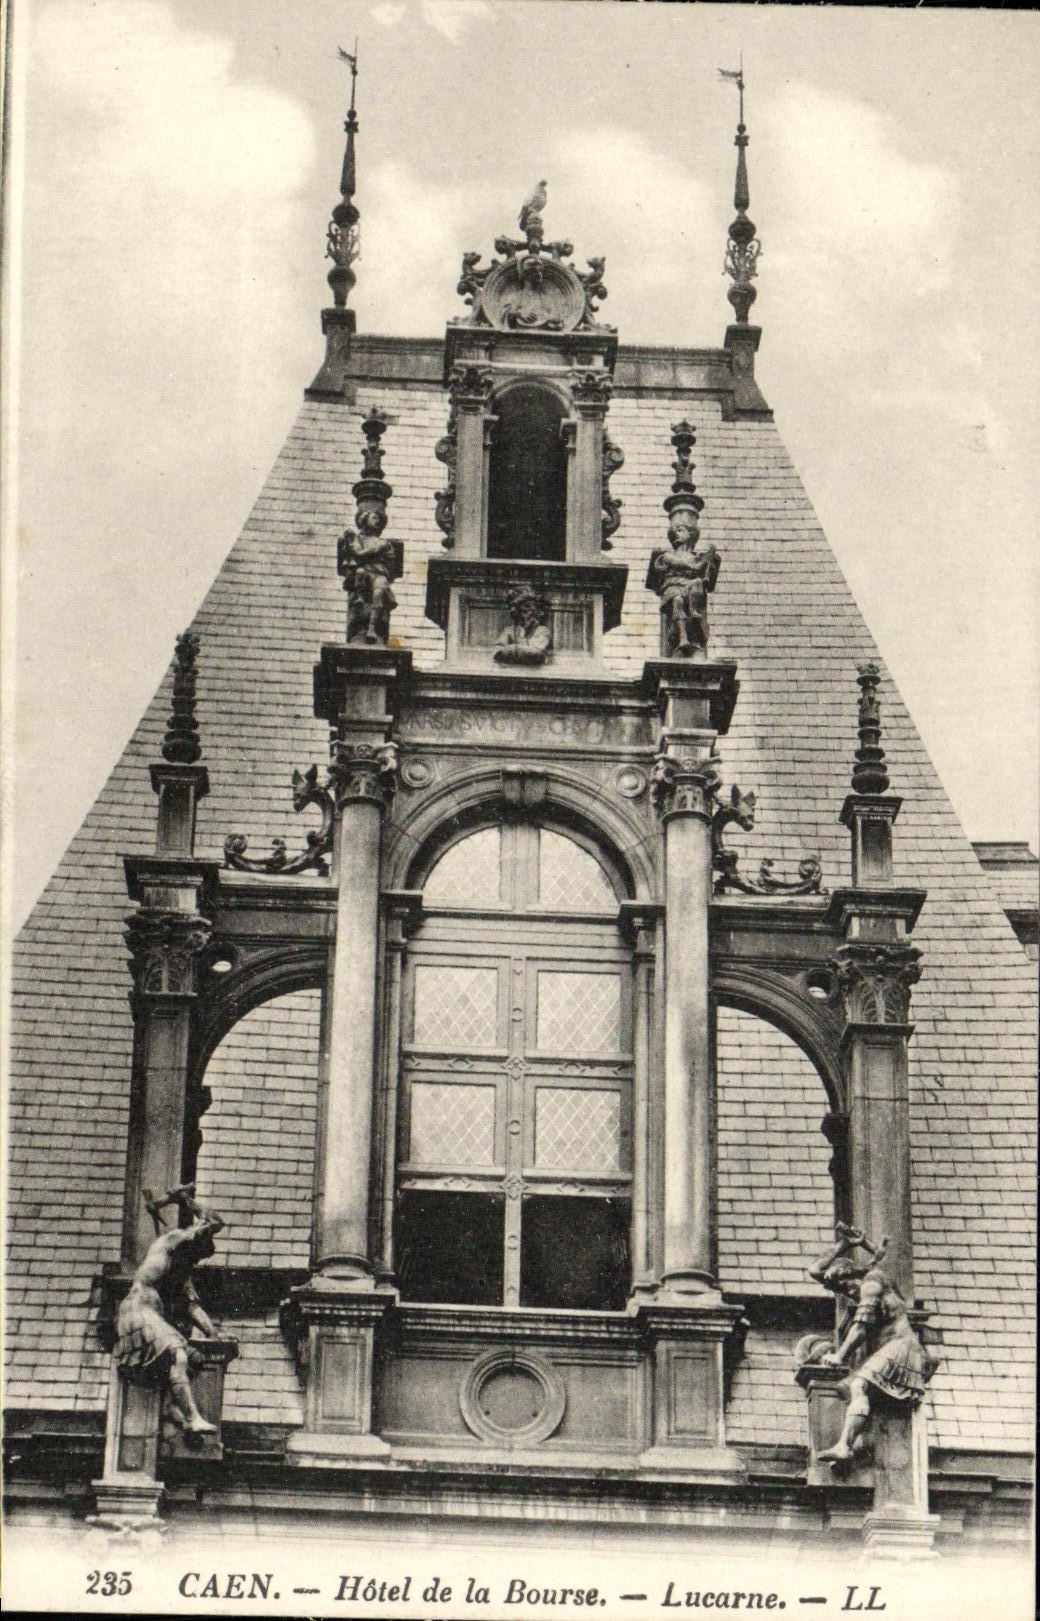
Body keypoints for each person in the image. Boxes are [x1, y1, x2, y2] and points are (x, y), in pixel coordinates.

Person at [809, 1223, 936, 1466]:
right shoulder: (859, 1284)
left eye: (846, 1286)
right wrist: (844, 1245)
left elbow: (861, 1328)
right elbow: (815, 1271)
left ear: (850, 1277)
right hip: (896, 1347)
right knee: (854, 1388)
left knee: (859, 1385)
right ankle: (847, 1444)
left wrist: (839, 1356)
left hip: (902, 1347)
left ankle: (845, 1446)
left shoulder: (872, 1283)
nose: (847, 1293)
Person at [114, 1185, 224, 1435]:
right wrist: (185, 1199)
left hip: (149, 1315)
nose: (195, 1262)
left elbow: (190, 1306)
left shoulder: (180, 1273)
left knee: (193, 1359)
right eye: (196, 1256)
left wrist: (213, 1333)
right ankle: (192, 1417)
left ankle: (171, 1408)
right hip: (137, 1311)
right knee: (177, 1353)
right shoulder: (171, 1241)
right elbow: (215, 1221)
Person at [649, 511, 720, 658]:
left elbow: (701, 568)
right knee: (678, 600)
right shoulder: (668, 556)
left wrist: (709, 557)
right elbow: (686, 564)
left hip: (689, 587)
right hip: (673, 587)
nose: (677, 534)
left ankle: (694, 614)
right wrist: (702, 561)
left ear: (690, 534)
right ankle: (682, 638)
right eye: (675, 531)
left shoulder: (695, 557)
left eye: (681, 530)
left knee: (697, 583)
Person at [340, 518, 398, 645]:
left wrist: (360, 552)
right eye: (373, 517)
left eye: (378, 517)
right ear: (364, 521)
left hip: (379, 574)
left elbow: (364, 552)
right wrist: (349, 540)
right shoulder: (358, 539)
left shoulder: (383, 542)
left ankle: (372, 627)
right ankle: (360, 597)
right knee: (360, 572)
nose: (378, 519)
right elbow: (354, 551)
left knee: (380, 591)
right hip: (365, 573)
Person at [494, 587, 552, 666]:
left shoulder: (542, 630)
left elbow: (535, 651)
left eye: (533, 607)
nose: (531, 611)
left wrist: (512, 648)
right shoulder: (509, 630)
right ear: (518, 611)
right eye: (526, 607)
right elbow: (497, 651)